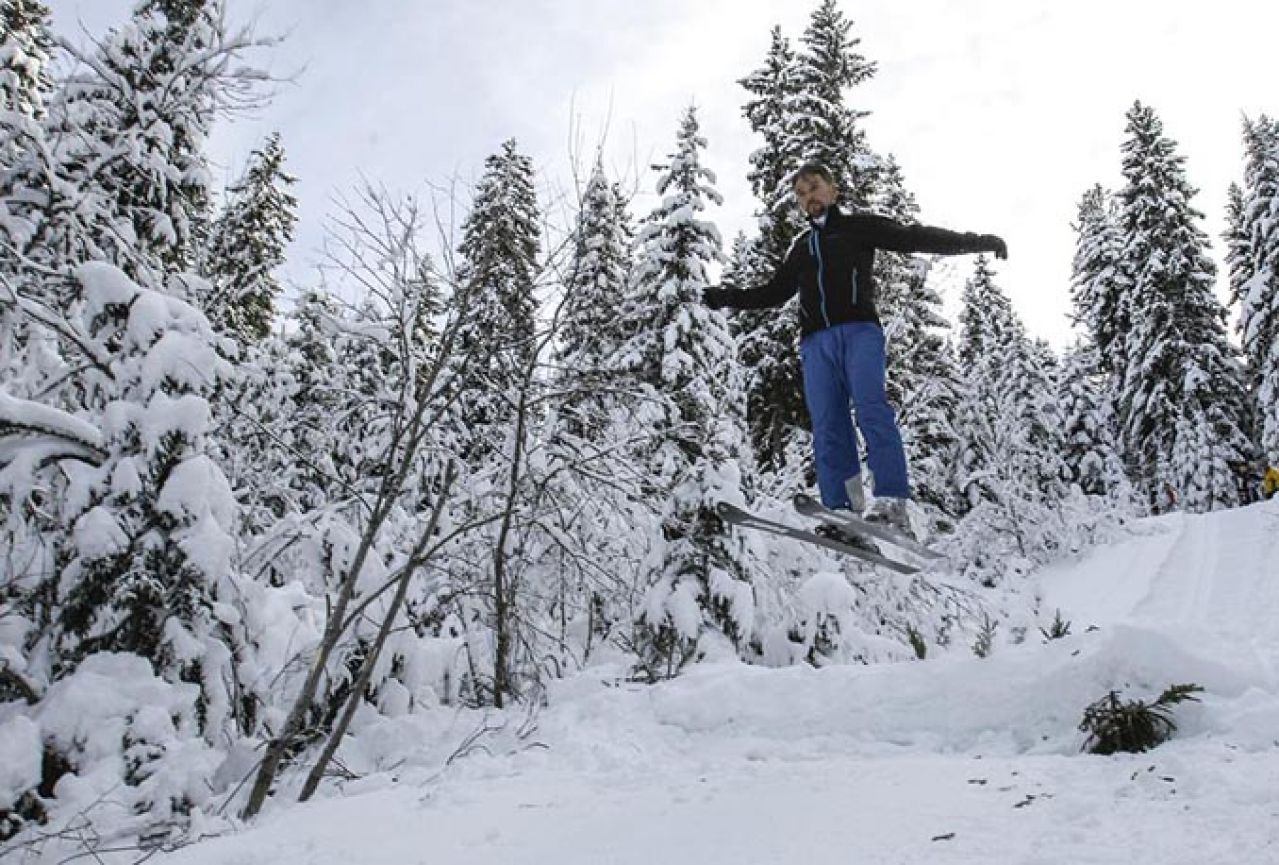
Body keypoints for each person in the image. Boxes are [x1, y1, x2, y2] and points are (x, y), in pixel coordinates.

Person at [702, 161, 1006, 541]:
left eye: (814, 187)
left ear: (833, 190)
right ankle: (842, 511)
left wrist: (976, 242)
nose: (808, 197)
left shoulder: (859, 228)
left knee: (871, 407)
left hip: (860, 332)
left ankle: (892, 504)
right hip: (816, 343)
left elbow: (915, 237)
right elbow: (774, 293)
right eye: (800, 194)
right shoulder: (802, 247)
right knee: (828, 423)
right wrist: (723, 297)